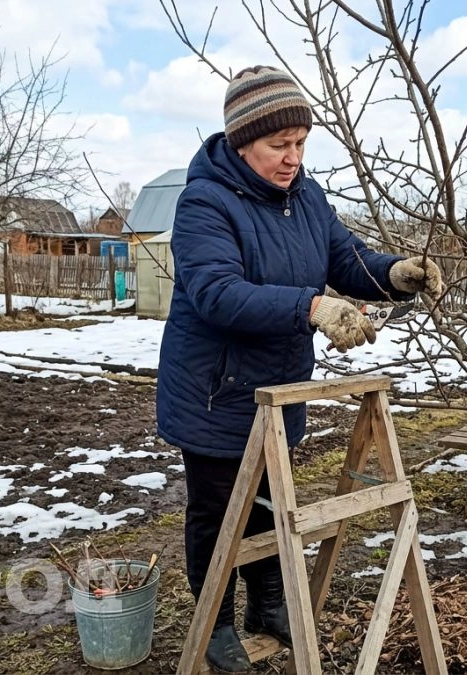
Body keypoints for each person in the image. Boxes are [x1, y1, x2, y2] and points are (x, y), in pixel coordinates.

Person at [156, 65, 442, 673]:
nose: (292, 158)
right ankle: (215, 622)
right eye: (277, 146)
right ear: (241, 142)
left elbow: (346, 259)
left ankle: (266, 606)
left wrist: (394, 274)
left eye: (300, 143)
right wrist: (311, 307)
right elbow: (216, 293)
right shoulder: (204, 202)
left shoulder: (305, 197)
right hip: (215, 391)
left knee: (266, 502)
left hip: (278, 388)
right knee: (218, 511)